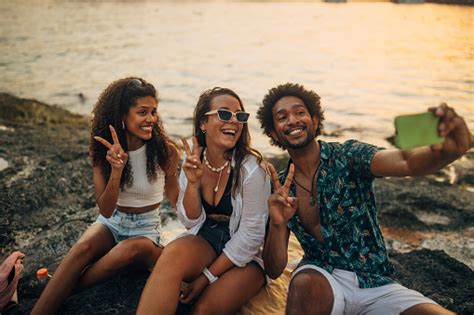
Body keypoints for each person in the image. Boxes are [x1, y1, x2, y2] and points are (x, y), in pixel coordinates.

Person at [257, 83, 470, 315]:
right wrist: (278, 223)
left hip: (376, 282)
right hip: (321, 277)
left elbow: (404, 161)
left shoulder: (350, 156)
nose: (292, 120)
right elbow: (274, 269)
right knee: (304, 283)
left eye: (300, 112)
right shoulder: (280, 188)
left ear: (315, 120)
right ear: (273, 132)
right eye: (282, 117)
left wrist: (448, 151)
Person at [32, 77, 179, 314]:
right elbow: (107, 210)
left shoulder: (165, 151)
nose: (151, 119)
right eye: (143, 112)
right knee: (82, 248)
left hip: (147, 231)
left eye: (154, 112)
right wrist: (117, 171)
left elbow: (175, 196)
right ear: (122, 115)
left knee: (125, 251)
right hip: (112, 222)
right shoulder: (103, 152)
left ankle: (59, 287)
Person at [137, 87, 271, 315]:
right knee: (170, 259)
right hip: (207, 236)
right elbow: (190, 221)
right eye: (224, 114)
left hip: (247, 255)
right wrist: (192, 183)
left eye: (240, 116)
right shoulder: (193, 159)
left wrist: (205, 277)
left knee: (202, 310)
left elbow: (251, 237)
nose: (234, 121)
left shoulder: (252, 170)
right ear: (202, 123)